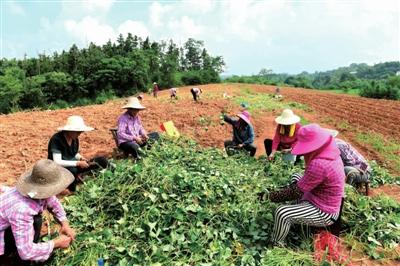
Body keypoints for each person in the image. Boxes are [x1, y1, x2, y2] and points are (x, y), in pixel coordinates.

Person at [261, 124, 345, 246]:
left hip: (324, 211)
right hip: (318, 195)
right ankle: (297, 208)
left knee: (282, 213)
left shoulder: (319, 164)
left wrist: (269, 196)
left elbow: (296, 192)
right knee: (296, 175)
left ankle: (276, 243)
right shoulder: (330, 150)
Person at [0, 159, 76, 264]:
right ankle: (15, 259)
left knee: (36, 220)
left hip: (6, 221)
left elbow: (53, 202)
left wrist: (64, 223)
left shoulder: (36, 191)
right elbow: (26, 251)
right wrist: (56, 243)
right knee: (36, 221)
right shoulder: (22, 210)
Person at [47, 116, 109, 192]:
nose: (80, 133)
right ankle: (72, 190)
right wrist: (77, 163)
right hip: (58, 169)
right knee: (72, 170)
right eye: (78, 132)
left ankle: (88, 177)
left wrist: (80, 158)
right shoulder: (57, 139)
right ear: (70, 130)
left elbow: (73, 153)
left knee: (101, 160)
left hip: (73, 165)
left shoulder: (74, 139)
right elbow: (57, 162)